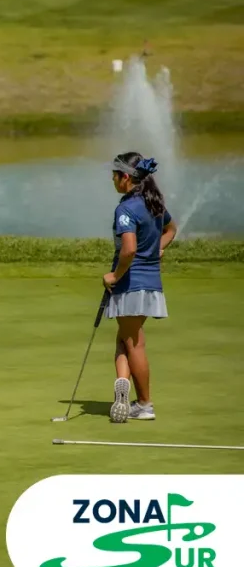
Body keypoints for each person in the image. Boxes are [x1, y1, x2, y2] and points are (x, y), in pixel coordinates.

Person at [104, 152, 177, 423]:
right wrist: (156, 250)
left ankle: (144, 404)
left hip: (130, 284)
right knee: (128, 339)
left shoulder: (126, 209)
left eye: (114, 175)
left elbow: (129, 249)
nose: (112, 180)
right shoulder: (153, 202)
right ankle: (124, 384)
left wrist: (114, 276)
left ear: (125, 177)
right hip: (151, 284)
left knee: (134, 343)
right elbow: (171, 230)